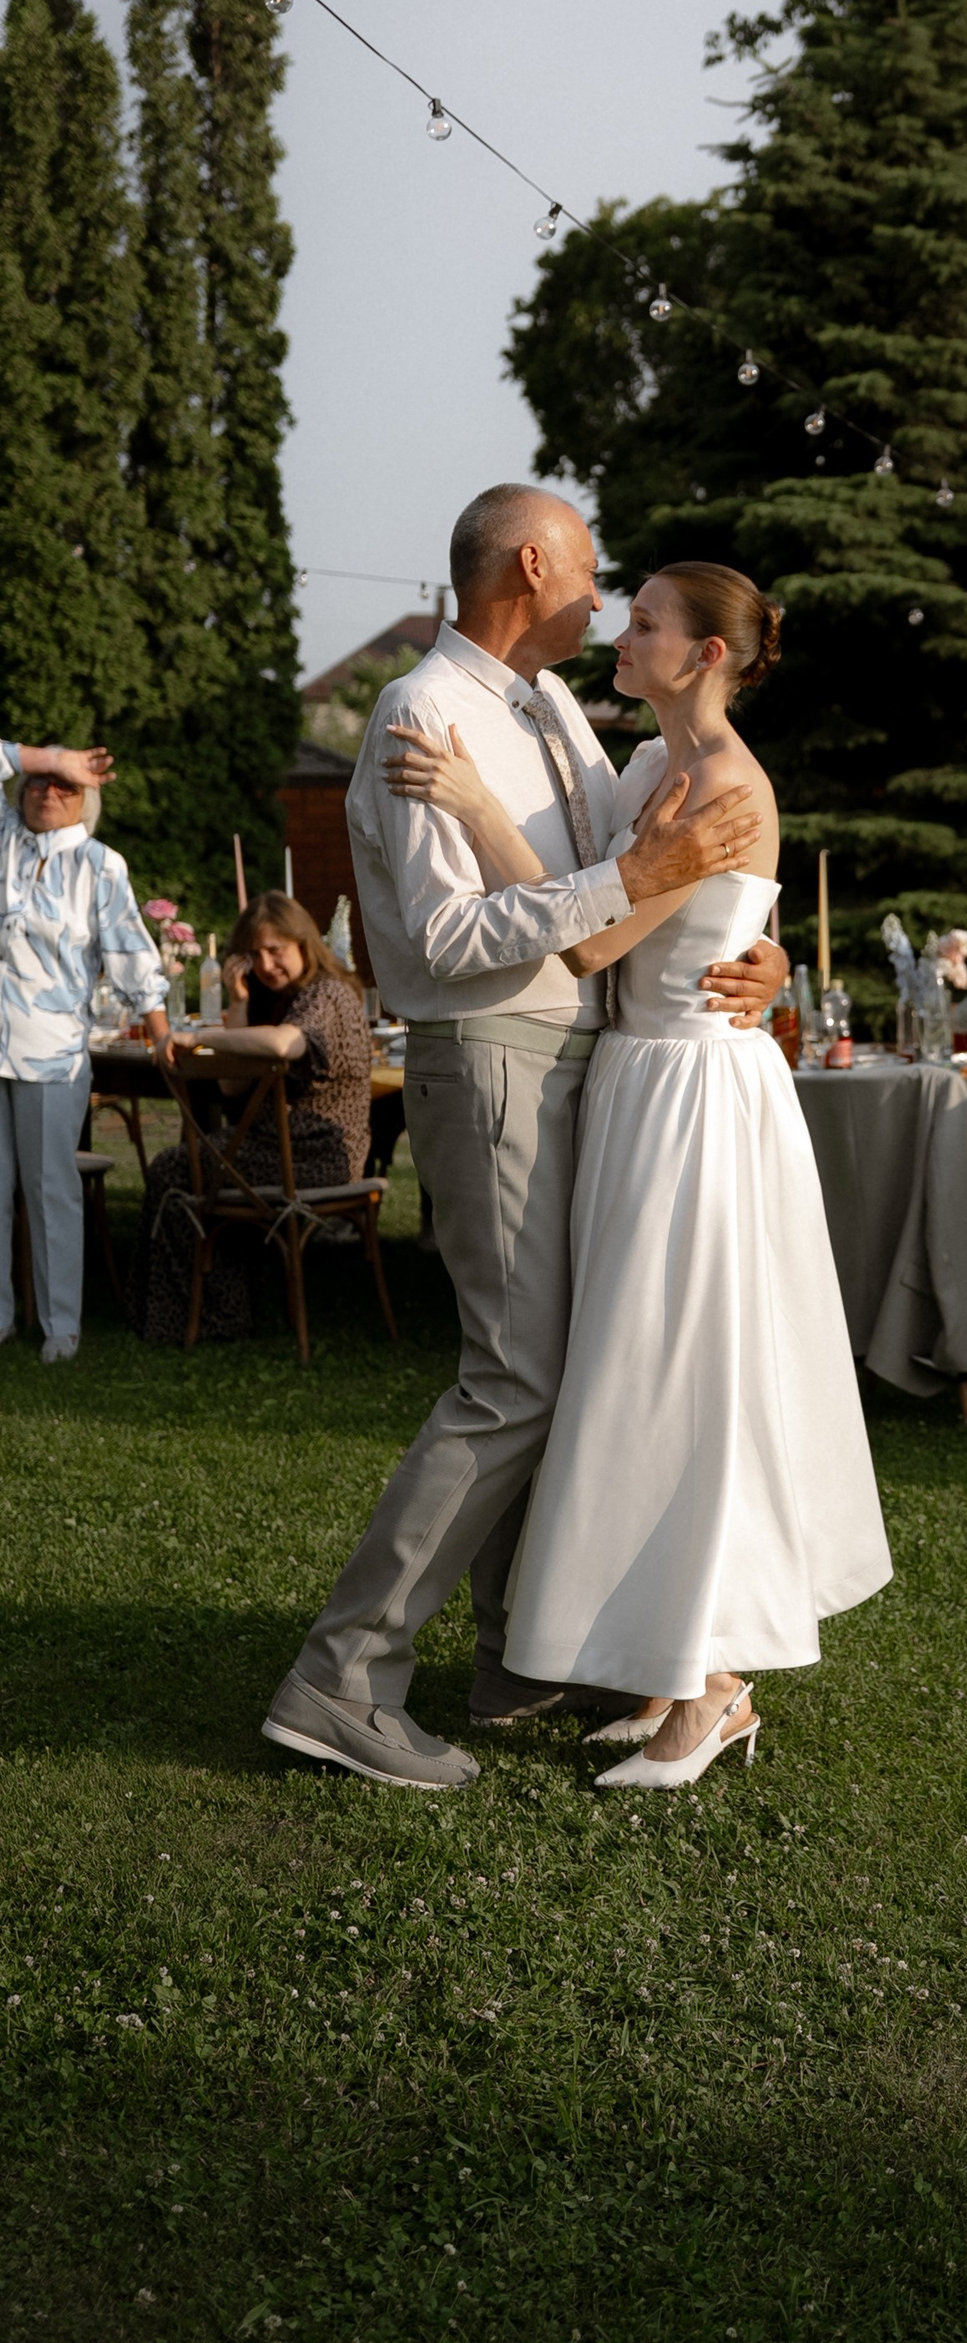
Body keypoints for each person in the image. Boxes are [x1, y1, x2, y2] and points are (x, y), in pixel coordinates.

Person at [262, 484, 786, 1794]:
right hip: (493, 1056)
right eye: (592, 574)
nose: (602, 601)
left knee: (567, 1366)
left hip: (592, 1064)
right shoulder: (421, 712)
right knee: (514, 1378)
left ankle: (519, 1660)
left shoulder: (551, 708)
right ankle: (342, 1677)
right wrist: (639, 883)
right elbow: (451, 938)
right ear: (534, 564)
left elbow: (644, 877)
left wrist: (754, 947)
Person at [373, 559, 891, 1790]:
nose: (621, 628)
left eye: (647, 620)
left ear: (707, 655)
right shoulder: (651, 762)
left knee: (690, 1375)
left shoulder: (729, 785)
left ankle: (712, 1688)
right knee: (635, 1374)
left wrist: (470, 803)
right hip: (637, 1083)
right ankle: (669, 1669)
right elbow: (609, 894)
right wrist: (767, 951)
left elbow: (597, 936)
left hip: (694, 1099)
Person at [127, 893, 373, 1345]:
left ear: (303, 943)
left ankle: (210, 1315)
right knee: (181, 1165)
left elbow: (285, 1044)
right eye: (255, 955)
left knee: (175, 1170)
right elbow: (231, 1086)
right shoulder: (277, 998)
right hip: (278, 1148)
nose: (266, 965)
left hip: (318, 1155)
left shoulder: (327, 993)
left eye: (275, 951)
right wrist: (239, 1002)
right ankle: (205, 1308)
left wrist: (197, 1038)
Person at [0, 739, 169, 1361]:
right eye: (39, 781)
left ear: (86, 802)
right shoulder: (2, 838)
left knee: (50, 1189)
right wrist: (44, 756)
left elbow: (130, 950)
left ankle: (61, 1326)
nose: (48, 791)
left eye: (65, 785)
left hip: (51, 1051)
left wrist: (160, 1030)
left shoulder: (99, 864)